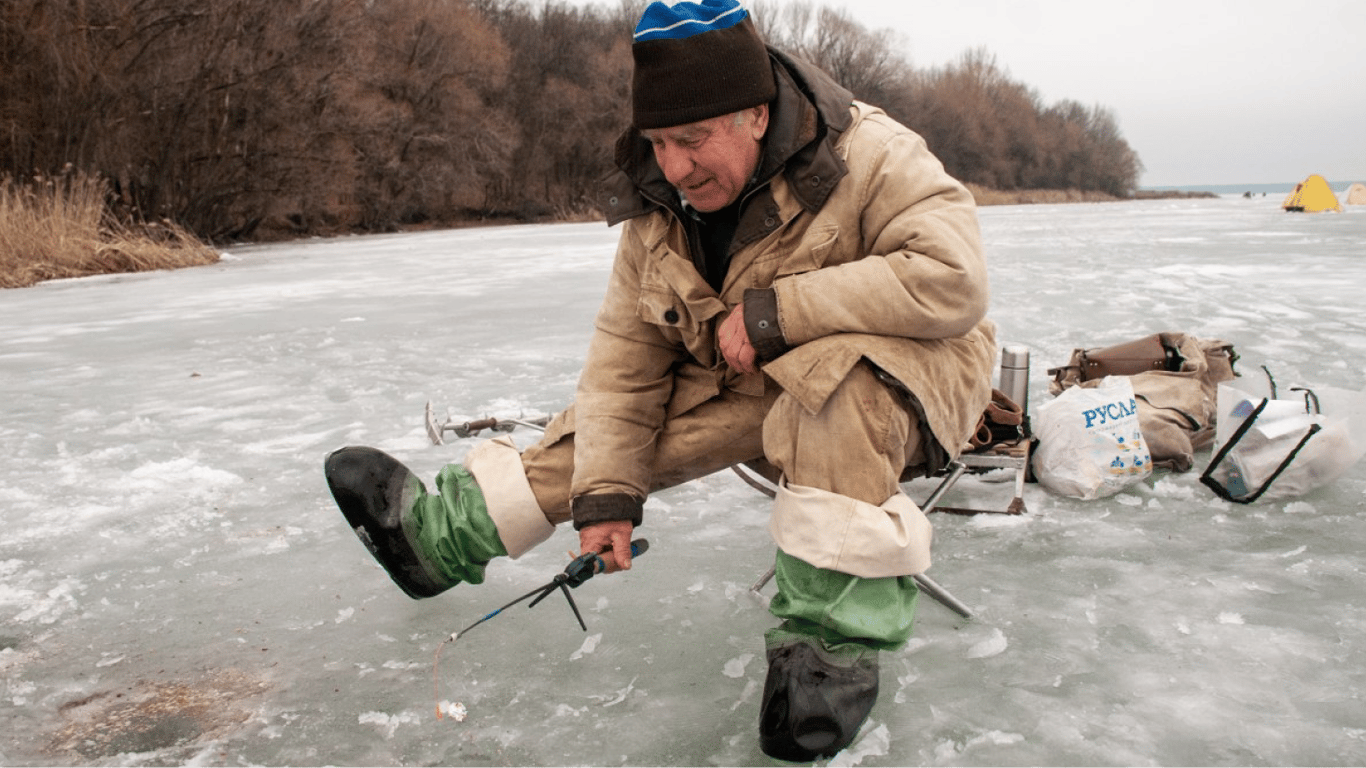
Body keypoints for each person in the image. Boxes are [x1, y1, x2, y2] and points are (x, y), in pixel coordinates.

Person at [324, 0, 994, 760]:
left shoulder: (871, 153)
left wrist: (782, 312)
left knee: (829, 390)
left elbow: (953, 280)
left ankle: (829, 663)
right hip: (762, 378)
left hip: (915, 373)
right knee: (658, 406)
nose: (674, 166)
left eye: (692, 139)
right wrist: (608, 496)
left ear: (754, 113)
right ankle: (441, 540)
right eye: (658, 142)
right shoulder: (659, 201)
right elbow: (624, 370)